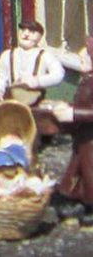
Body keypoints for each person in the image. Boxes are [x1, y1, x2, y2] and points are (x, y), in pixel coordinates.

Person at [52, 36, 93, 226]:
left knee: (89, 170)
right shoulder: (87, 79)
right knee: (78, 169)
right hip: (83, 136)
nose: (81, 58)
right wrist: (67, 107)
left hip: (90, 139)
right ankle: (76, 199)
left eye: (86, 56)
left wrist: (74, 113)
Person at [0, 19, 65, 102]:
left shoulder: (44, 56)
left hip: (36, 102)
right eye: (22, 30)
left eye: (32, 32)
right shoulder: (7, 55)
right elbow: (1, 78)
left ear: (39, 37)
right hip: (13, 101)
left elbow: (58, 75)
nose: (26, 34)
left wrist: (36, 81)